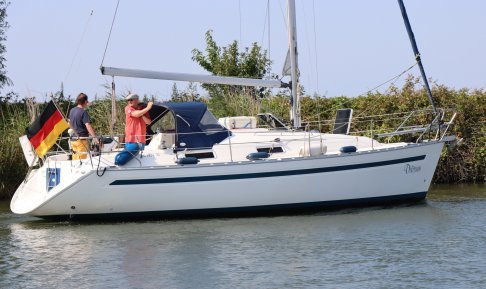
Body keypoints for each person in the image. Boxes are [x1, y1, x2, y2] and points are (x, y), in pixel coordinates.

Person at [68, 93, 97, 160]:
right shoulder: (83, 112)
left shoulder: (72, 110)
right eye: (87, 101)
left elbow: (69, 123)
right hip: (81, 140)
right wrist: (95, 138)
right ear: (85, 101)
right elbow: (88, 126)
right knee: (81, 160)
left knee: (75, 160)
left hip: (73, 139)